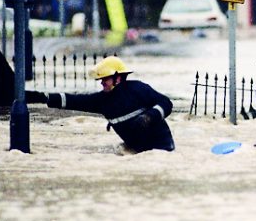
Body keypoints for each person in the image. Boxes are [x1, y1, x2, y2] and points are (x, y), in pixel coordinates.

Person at [26, 56, 175, 152]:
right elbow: (75, 101)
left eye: (105, 79)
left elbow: (166, 102)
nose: (102, 83)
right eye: (101, 80)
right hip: (138, 151)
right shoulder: (102, 100)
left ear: (118, 78)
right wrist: (43, 98)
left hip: (162, 149)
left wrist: (150, 116)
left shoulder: (138, 88)